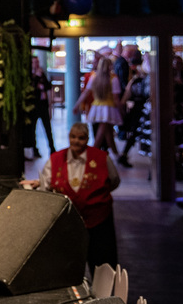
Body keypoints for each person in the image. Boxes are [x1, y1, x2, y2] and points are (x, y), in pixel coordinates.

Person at [22, 122, 120, 272]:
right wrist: (37, 183)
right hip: (68, 224)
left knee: (102, 266)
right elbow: (47, 183)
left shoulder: (102, 158)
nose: (76, 141)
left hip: (98, 221)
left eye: (81, 138)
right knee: (67, 269)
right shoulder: (56, 158)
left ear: (87, 139)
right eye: (73, 137)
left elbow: (114, 181)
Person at [75, 57, 122, 157]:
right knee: (103, 131)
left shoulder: (94, 77)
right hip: (109, 108)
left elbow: (86, 92)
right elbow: (116, 98)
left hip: (97, 107)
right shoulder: (113, 79)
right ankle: (93, 153)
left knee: (108, 132)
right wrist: (121, 109)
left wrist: (77, 104)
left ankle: (116, 154)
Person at [26, 54, 55, 158]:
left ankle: (52, 149)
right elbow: (31, 88)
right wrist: (37, 77)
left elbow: (48, 86)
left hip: (43, 105)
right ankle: (35, 150)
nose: (37, 64)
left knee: (48, 128)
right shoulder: (30, 75)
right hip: (34, 106)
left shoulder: (42, 74)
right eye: (35, 62)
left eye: (37, 62)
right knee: (33, 129)